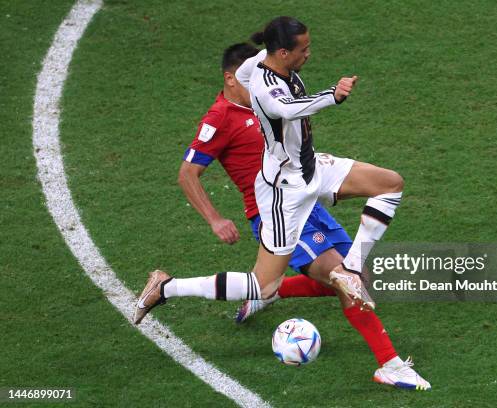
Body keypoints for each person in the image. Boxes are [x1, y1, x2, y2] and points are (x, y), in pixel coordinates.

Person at [134, 19, 430, 390]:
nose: (309, 53)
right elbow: (285, 111)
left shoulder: (263, 66)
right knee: (279, 284)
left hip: (310, 171)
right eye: (303, 49)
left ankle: (331, 272)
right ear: (284, 52)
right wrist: (333, 95)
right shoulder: (243, 105)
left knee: (388, 187)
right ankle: (168, 288)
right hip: (282, 200)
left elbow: (260, 68)